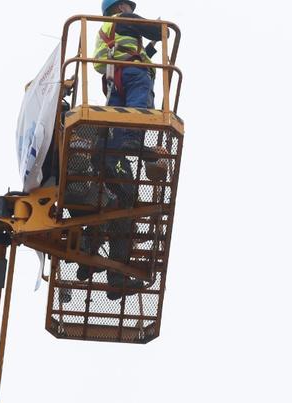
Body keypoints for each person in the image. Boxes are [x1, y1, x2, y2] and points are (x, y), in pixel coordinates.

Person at [88, 0, 163, 298]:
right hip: (131, 75)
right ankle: (108, 270)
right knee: (140, 105)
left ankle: (114, 277)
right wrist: (158, 32)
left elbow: (96, 64)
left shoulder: (106, 32)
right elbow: (158, 33)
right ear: (120, 6)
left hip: (113, 79)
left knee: (119, 121)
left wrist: (149, 52)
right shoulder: (125, 19)